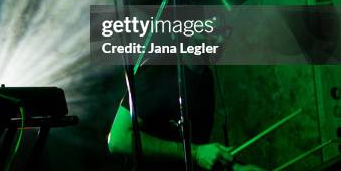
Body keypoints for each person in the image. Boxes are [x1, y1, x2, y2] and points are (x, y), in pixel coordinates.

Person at [107, 64, 266, 170]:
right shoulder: (158, 71)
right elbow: (117, 139)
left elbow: (202, 153)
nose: (218, 38)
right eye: (207, 28)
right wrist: (196, 153)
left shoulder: (205, 77)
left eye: (224, 31)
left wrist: (236, 168)